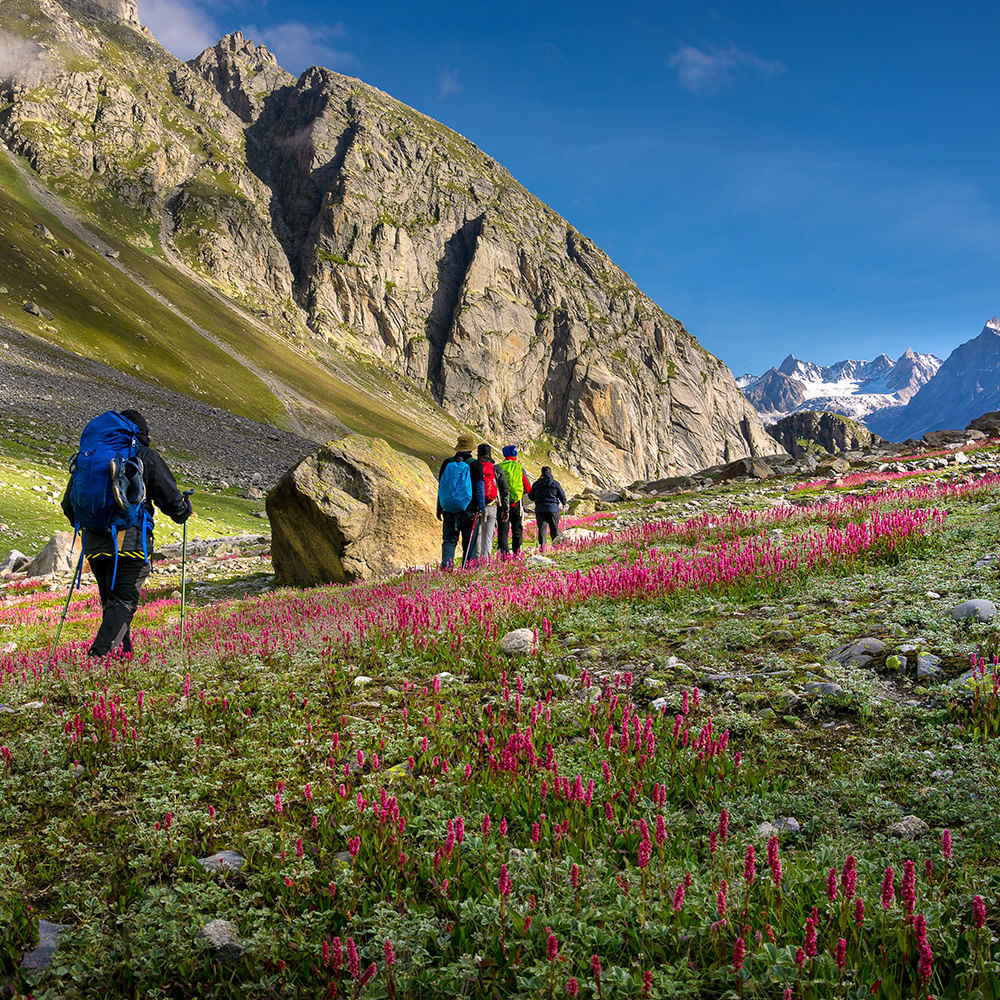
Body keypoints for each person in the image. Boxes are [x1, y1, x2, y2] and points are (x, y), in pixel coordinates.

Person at [61, 409, 193, 657]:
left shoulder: (90, 457)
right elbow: (174, 505)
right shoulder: (144, 456)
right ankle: (98, 658)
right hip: (131, 541)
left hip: (95, 542)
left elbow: (69, 505)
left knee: (112, 601)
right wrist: (184, 510)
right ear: (140, 433)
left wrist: (95, 523)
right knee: (123, 601)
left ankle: (123, 656)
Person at [436, 433, 485, 569]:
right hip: (470, 510)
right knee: (469, 541)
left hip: (449, 508)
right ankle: (468, 569)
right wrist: (482, 508)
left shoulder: (447, 463)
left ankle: (447, 567)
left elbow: (441, 487)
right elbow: (479, 488)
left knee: (449, 540)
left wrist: (439, 507)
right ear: (471, 449)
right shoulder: (475, 464)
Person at [474, 443, 509, 561]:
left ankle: (475, 562)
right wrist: (505, 509)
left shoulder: (474, 466)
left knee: (477, 535)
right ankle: (486, 562)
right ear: (490, 454)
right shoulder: (496, 468)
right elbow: (504, 489)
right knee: (487, 537)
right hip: (492, 505)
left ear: (478, 454)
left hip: (477, 506)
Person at [498, 445, 531, 557]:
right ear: (515, 455)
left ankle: (504, 555)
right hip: (516, 502)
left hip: (502, 503)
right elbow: (528, 488)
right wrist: (519, 494)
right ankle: (517, 553)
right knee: (517, 527)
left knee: (503, 529)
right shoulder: (519, 468)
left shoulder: (498, 467)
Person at [527, 465, 566, 551]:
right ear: (550, 472)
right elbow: (562, 495)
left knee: (542, 529)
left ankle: (542, 548)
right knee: (554, 529)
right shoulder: (555, 483)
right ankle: (556, 547)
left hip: (540, 509)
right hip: (553, 509)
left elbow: (530, 496)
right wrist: (564, 502)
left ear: (542, 473)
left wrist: (537, 498)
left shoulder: (536, 484)